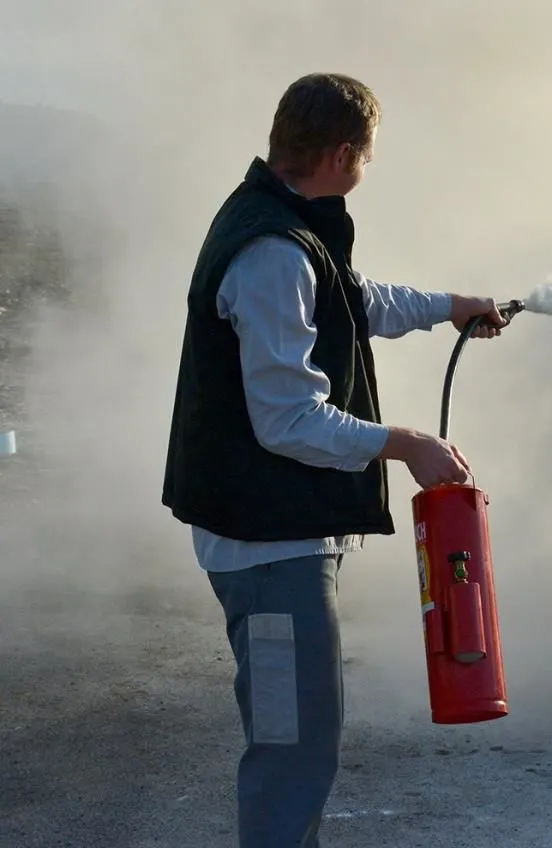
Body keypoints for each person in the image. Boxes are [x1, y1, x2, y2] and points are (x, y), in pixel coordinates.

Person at [161, 72, 506, 847]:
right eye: (368, 157)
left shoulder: (284, 220)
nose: (366, 171)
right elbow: (287, 420)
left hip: (275, 536)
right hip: (268, 548)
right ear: (344, 152)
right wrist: (404, 444)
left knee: (299, 742)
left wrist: (451, 307)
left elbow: (354, 299)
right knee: (292, 750)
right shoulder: (270, 253)